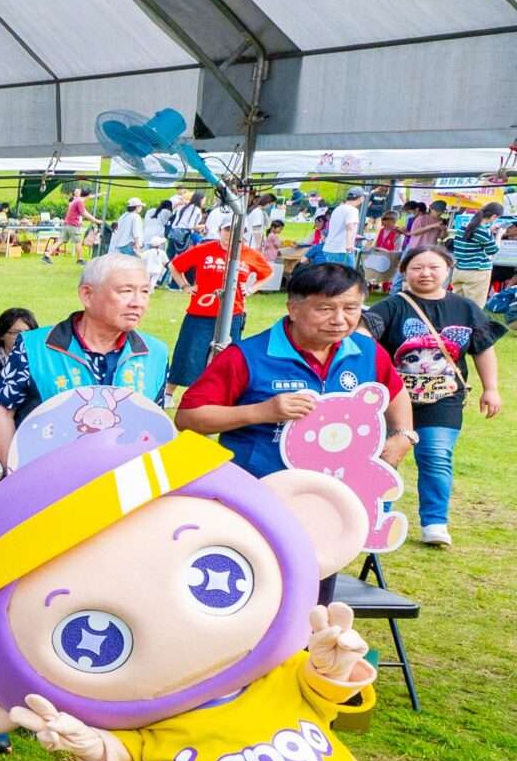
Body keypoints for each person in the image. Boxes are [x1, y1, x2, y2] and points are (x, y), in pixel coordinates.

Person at [175, 262, 411, 482]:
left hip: (342, 488)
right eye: (325, 309)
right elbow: (188, 417)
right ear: (294, 309)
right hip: (261, 488)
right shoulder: (247, 356)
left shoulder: (367, 350)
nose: (339, 320)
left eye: (351, 308)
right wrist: (261, 411)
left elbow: (395, 391)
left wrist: (403, 434)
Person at [358, 242, 504, 547]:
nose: (425, 273)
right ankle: (377, 517)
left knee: (436, 456)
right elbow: (363, 335)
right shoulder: (392, 305)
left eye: (433, 267)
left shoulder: (465, 308)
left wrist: (491, 389)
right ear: (404, 272)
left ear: (448, 270)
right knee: (386, 457)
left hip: (443, 399)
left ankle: (435, 523)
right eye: (417, 267)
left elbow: (483, 348)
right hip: (395, 400)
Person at [0, 254, 166, 468]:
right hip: (50, 476)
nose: (137, 303)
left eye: (145, 292)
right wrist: (17, 472)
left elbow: (155, 423)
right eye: (125, 291)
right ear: (87, 295)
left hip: (125, 480)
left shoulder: (155, 353)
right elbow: (2, 410)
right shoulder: (35, 346)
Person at [166, 226, 274, 389]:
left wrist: (251, 288)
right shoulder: (204, 249)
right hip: (201, 311)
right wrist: (185, 286)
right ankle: (169, 393)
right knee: (189, 352)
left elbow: (268, 273)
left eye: (234, 230)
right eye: (226, 230)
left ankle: (216, 393)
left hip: (232, 313)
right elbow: (175, 266)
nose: (230, 234)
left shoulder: (248, 254)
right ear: (219, 231)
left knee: (227, 357)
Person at [449, 202, 504, 303]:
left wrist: (489, 231)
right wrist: (499, 235)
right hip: (477, 272)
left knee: (456, 304)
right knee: (475, 305)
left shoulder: (464, 227)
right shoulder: (483, 232)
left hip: (459, 270)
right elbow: (493, 250)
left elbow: (474, 238)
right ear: (494, 216)